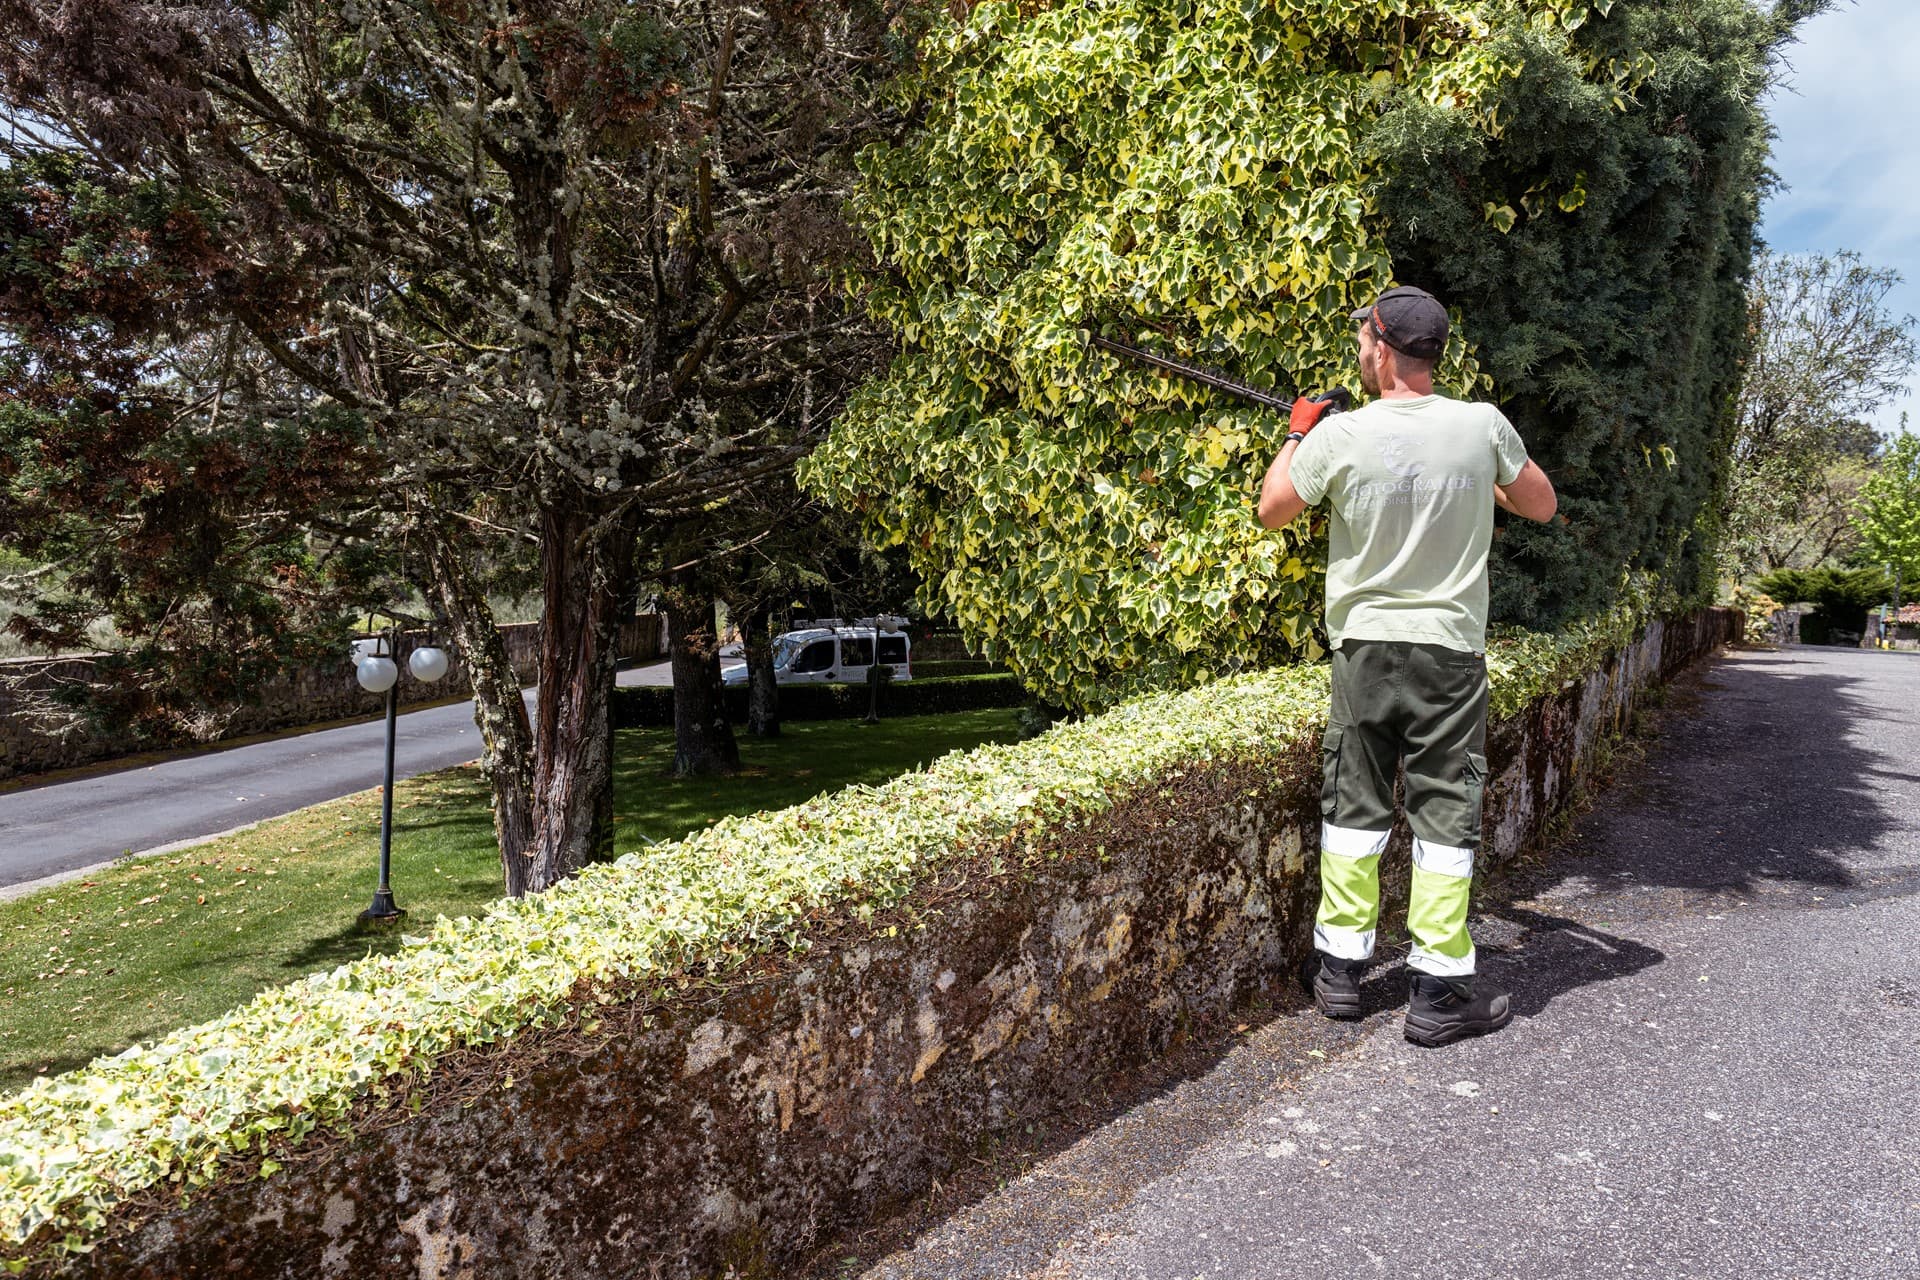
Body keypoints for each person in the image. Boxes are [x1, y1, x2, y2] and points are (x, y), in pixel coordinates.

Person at [1254, 285, 1559, 1047]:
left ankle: (1340, 973)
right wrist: (1467, 474)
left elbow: (1272, 509)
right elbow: (1540, 505)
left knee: (1353, 809)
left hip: (1363, 648)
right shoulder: (1480, 426)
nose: (1360, 352)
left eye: (1363, 341)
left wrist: (1297, 433)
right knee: (1443, 815)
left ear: (1381, 349)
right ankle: (1438, 992)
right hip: (1448, 653)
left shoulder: (1339, 434)